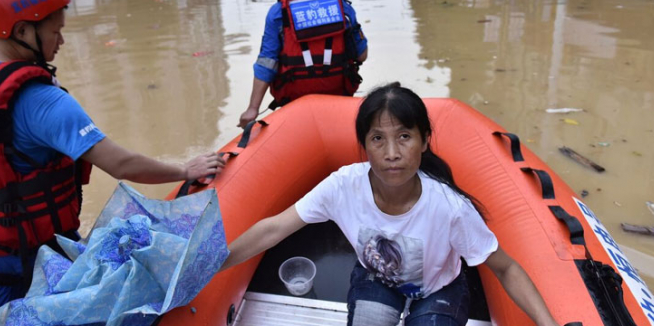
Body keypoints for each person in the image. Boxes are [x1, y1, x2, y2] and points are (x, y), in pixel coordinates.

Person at [0, 0, 225, 326]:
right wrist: (185, 170)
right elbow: (121, 163)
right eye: (54, 31)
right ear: (21, 32)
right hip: (34, 259)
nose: (61, 40)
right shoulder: (40, 100)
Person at [222, 82, 560, 326]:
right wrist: (213, 263)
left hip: (440, 289)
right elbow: (275, 228)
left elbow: (507, 267)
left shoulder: (449, 207)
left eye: (404, 137)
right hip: (377, 277)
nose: (392, 153)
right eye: (378, 139)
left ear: (425, 140)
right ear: (365, 145)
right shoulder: (344, 187)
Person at [238, 0, 368, 128]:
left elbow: (266, 63)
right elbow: (362, 55)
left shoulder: (278, 13)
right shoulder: (343, 8)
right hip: (339, 104)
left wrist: (253, 108)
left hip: (294, 109)